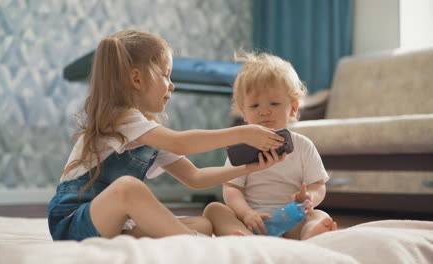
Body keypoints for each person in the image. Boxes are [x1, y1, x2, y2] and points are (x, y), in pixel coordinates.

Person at [47, 30, 286, 241]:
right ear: (137, 79)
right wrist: (243, 132)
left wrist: (248, 167)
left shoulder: (149, 133)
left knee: (203, 222)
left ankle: (186, 236)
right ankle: (196, 244)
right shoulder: (121, 118)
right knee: (128, 188)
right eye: (166, 75)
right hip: (73, 220)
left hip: (114, 224)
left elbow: (196, 177)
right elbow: (180, 143)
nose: (172, 85)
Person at [203, 52, 337, 240]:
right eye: (255, 105)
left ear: (294, 107)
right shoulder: (242, 149)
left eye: (274, 103)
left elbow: (318, 185)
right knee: (214, 209)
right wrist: (246, 214)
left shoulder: (304, 146)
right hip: (251, 222)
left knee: (318, 215)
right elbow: (232, 189)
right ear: (244, 112)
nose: (264, 111)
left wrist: (309, 199)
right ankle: (244, 237)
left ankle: (310, 232)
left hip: (292, 219)